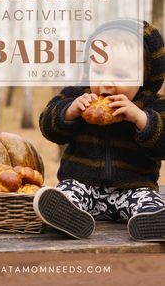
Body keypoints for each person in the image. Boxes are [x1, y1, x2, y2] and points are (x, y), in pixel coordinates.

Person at [33, 19, 165, 241]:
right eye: (99, 71)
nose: (106, 83)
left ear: (144, 77)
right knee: (67, 192)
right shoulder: (76, 96)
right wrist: (69, 112)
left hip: (133, 190)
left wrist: (141, 119)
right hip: (83, 186)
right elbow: (48, 127)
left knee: (149, 202)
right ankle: (67, 218)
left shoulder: (153, 106)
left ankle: (153, 222)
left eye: (121, 76)